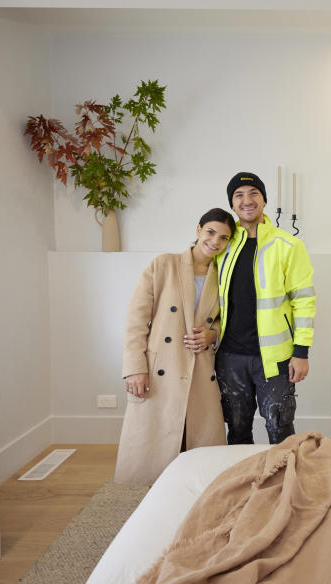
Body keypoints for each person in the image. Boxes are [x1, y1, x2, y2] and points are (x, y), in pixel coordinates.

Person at [114, 208, 236, 485]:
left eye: (224, 238)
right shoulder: (164, 265)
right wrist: (134, 368)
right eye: (211, 232)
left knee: (200, 454)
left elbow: (226, 322)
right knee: (154, 451)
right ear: (198, 230)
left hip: (201, 369)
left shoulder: (224, 277)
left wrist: (212, 334)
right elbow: (136, 320)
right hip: (161, 368)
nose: (215, 241)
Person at [215, 172, 316, 445]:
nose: (247, 200)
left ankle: (286, 486)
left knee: (280, 430)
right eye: (239, 195)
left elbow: (304, 300)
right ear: (232, 205)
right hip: (229, 357)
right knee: (236, 431)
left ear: (264, 200)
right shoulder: (220, 245)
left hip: (275, 359)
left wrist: (301, 352)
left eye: (253, 193)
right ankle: (244, 486)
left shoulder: (288, 245)